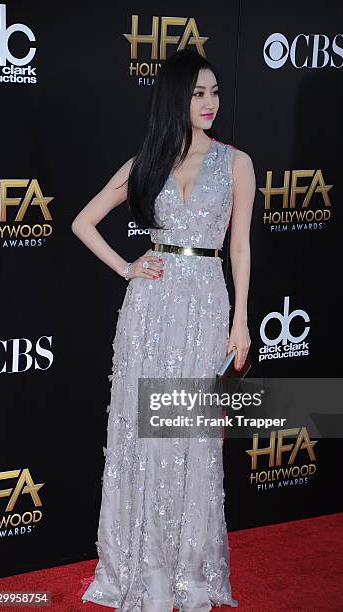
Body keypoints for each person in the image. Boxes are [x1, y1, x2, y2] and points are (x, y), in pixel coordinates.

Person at [72, 49, 255, 612]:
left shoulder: (237, 162)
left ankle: (189, 576)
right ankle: (146, 572)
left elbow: (241, 245)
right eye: (198, 93)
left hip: (205, 304)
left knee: (192, 440)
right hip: (149, 310)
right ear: (177, 96)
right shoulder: (146, 161)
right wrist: (128, 267)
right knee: (144, 437)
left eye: (215, 92)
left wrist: (242, 320)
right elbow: (83, 221)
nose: (210, 103)